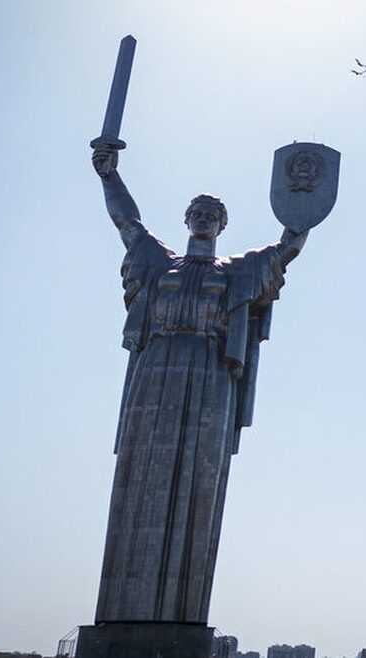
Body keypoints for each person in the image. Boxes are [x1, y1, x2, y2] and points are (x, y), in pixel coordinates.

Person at [89, 142, 307, 624]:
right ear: (187, 220)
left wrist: (303, 211)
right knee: (140, 470)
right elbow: (127, 222)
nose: (205, 219)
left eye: (213, 214)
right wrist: (109, 176)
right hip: (156, 366)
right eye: (198, 212)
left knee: (199, 474)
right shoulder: (158, 262)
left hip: (209, 369)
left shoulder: (239, 270)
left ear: (222, 226)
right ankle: (122, 611)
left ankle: (180, 614)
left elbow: (286, 249)